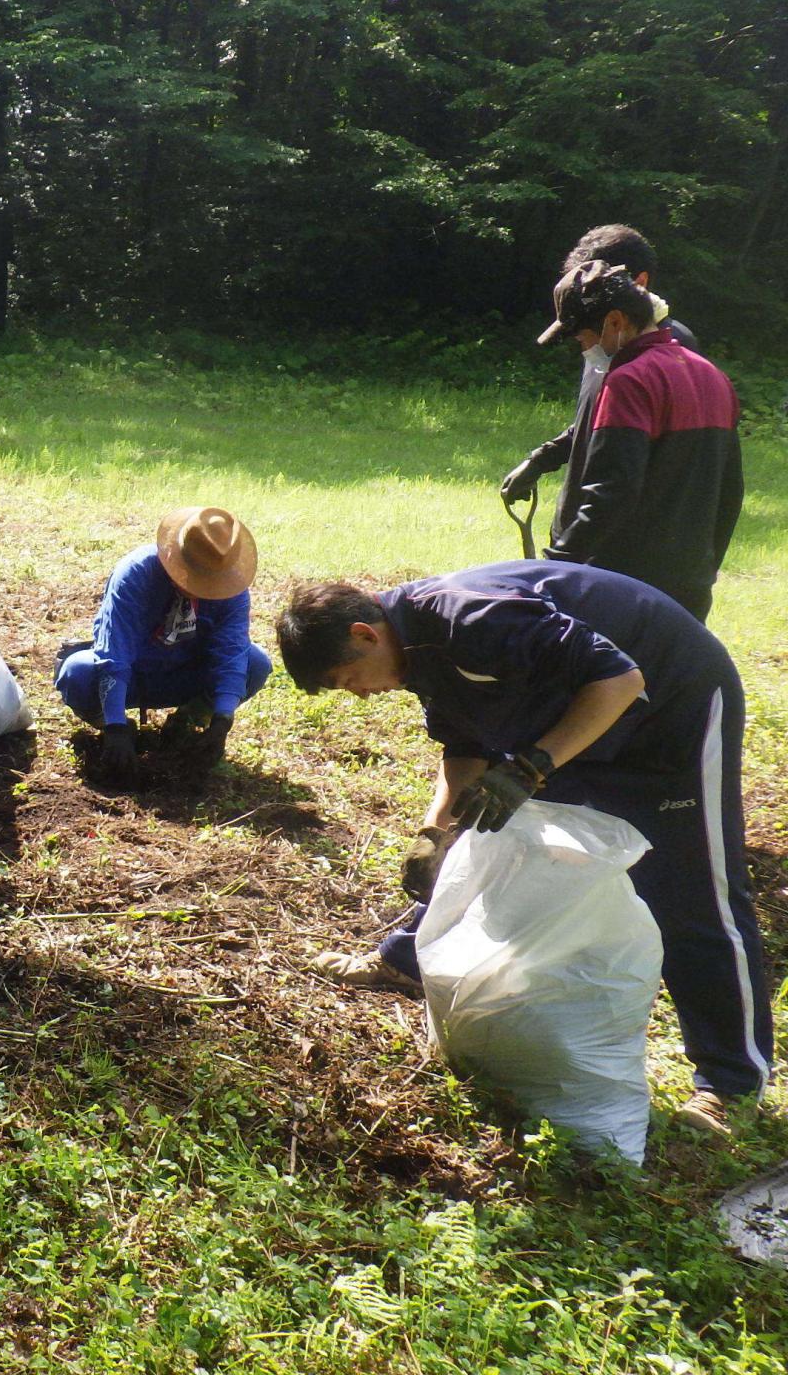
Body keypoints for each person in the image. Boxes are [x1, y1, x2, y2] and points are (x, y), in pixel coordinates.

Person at [277, 561, 771, 1135]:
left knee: (692, 890)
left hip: (673, 707)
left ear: (366, 635)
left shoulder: (472, 616)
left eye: (348, 679)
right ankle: (410, 957)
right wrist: (435, 833)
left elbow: (620, 681)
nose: (359, 695)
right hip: (575, 719)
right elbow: (464, 746)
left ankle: (732, 1081)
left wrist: (534, 765)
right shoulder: (415, 649)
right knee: (504, 840)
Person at [501, 226, 738, 619]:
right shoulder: (711, 374)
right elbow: (731, 488)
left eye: (581, 339)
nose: (584, 349)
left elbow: (613, 490)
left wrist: (555, 564)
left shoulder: (630, 378)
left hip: (623, 581)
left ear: (614, 322)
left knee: (605, 679)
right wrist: (705, 568)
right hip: (686, 582)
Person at [54, 508, 268, 786]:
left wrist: (222, 720)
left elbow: (232, 655)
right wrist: (116, 727)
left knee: (256, 663)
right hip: (134, 674)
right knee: (77, 673)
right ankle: (110, 722)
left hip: (187, 674)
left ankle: (189, 720)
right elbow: (113, 653)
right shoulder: (135, 574)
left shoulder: (232, 591)